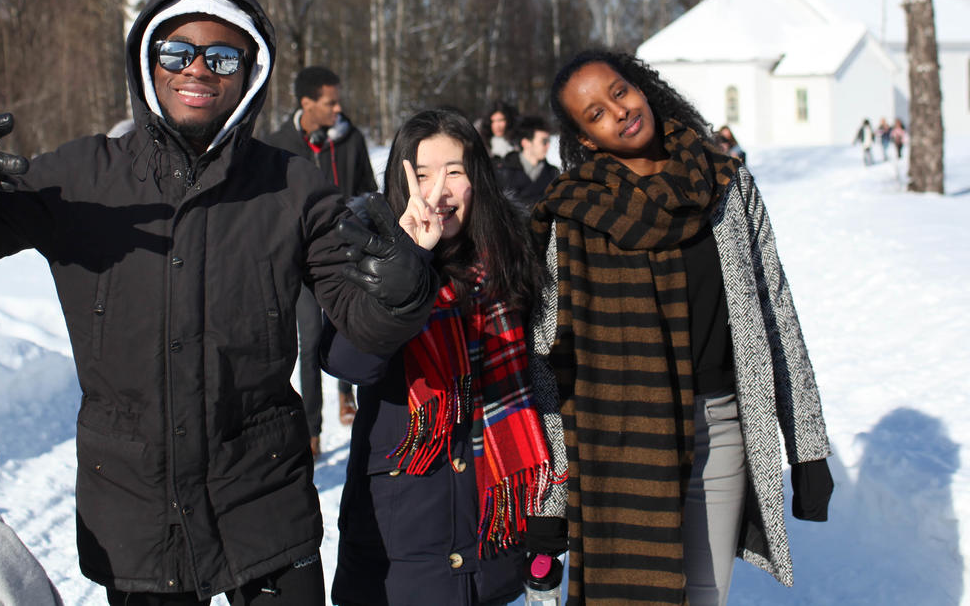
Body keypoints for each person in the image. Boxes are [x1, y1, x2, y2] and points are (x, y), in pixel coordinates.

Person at [0, 0, 438, 605]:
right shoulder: (81, 175)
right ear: (148, 64)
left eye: (223, 55)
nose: (199, 69)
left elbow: (359, 323)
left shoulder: (294, 187)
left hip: (261, 497)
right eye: (177, 52)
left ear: (250, 74)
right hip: (132, 504)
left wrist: (399, 289)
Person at [526, 50, 833, 606]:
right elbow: (551, 360)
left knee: (703, 597)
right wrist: (553, 498)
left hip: (720, 431)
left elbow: (776, 315)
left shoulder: (727, 186)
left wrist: (807, 447)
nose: (617, 112)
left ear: (640, 87)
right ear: (586, 140)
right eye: (595, 113)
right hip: (619, 446)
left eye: (619, 92)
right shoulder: (572, 215)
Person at [322, 108, 556, 606]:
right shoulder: (368, 254)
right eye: (421, 175)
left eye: (454, 172)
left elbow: (544, 377)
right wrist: (407, 263)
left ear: (479, 179)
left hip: (494, 521)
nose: (438, 192)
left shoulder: (515, 256)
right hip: (403, 524)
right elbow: (350, 362)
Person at [263, 66, 378, 450]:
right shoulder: (278, 144)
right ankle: (312, 430)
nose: (338, 108)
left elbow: (369, 192)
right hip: (301, 260)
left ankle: (348, 394)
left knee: (351, 328)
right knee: (310, 340)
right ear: (306, 103)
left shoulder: (352, 138)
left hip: (348, 253)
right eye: (330, 102)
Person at [495, 114, 559, 209]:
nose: (548, 146)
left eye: (548, 141)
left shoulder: (553, 173)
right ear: (526, 143)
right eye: (544, 141)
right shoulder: (503, 172)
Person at [476, 100, 517, 165]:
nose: (497, 126)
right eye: (493, 121)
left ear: (508, 121)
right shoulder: (481, 145)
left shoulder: (517, 144)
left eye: (501, 120)